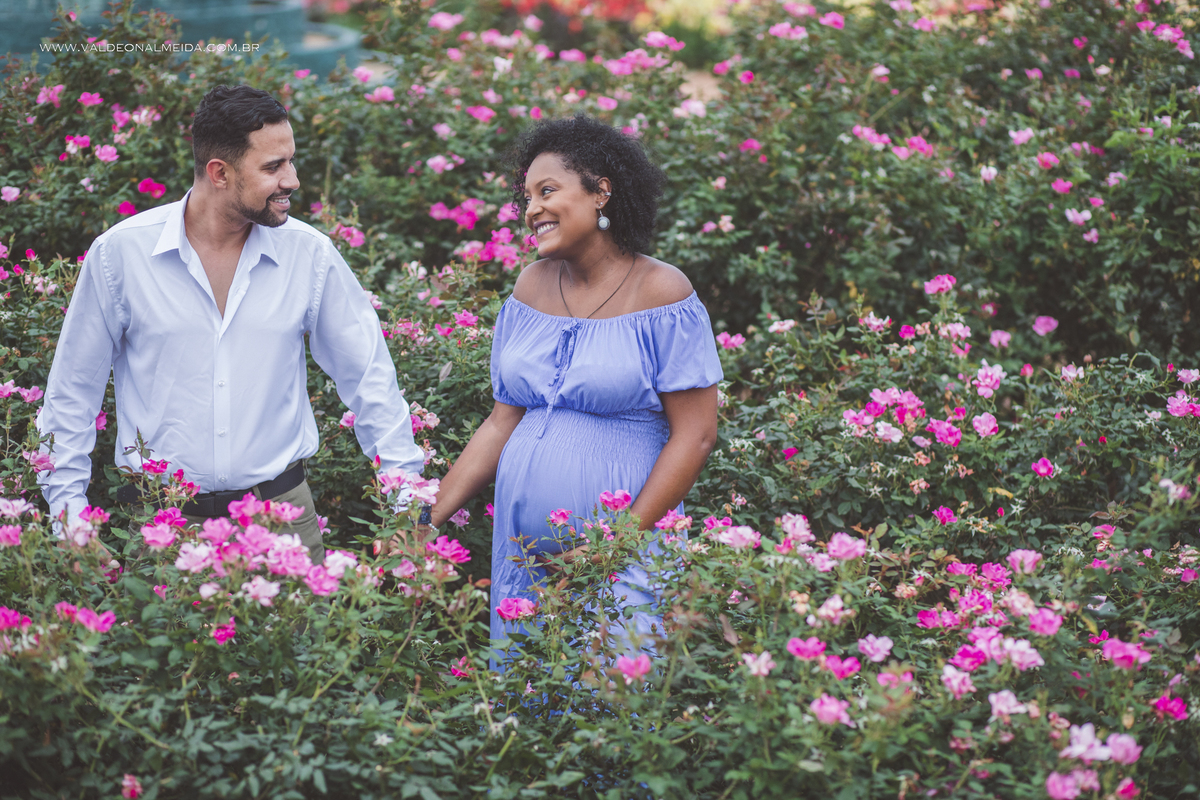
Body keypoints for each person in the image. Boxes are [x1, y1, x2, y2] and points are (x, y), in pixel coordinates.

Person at [38, 84, 425, 563]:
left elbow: (370, 380)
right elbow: (72, 394)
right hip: (165, 528)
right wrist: (69, 518)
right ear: (219, 173)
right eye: (273, 167)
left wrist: (408, 502)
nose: (293, 180)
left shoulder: (309, 254)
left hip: (283, 522)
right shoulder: (121, 255)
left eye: (291, 161)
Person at [429, 114, 723, 650]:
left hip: (623, 556)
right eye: (526, 198)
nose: (531, 209)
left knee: (608, 707)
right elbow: (501, 423)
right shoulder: (531, 286)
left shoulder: (662, 292)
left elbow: (696, 435)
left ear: (601, 193)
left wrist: (614, 546)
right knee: (528, 712)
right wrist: (426, 518)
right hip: (524, 560)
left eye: (547, 191)